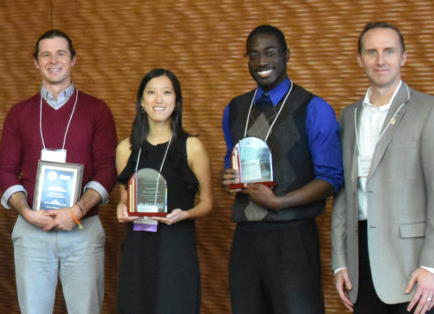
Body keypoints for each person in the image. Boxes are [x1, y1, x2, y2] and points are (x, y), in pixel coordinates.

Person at [220, 24, 342, 313]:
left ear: (287, 55)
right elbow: (230, 161)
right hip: (246, 237)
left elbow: (331, 179)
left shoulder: (314, 108)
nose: (262, 62)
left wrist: (279, 202)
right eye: (253, 54)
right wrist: (225, 178)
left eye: (270, 52)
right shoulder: (235, 109)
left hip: (294, 237)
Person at [0, 29, 117, 314]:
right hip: (32, 229)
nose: (54, 60)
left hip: (82, 230)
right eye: (45, 54)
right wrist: (26, 212)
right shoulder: (19, 113)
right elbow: (5, 170)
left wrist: (76, 210)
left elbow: (107, 170)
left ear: (73, 60)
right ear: (36, 63)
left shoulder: (97, 110)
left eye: (61, 53)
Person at [332, 22, 434, 314]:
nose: (380, 60)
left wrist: (431, 266)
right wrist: (340, 261)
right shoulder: (349, 115)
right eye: (371, 52)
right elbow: (343, 194)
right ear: (360, 59)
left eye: (389, 51)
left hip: (412, 264)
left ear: (403, 57)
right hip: (360, 264)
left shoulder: (428, 111)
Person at [114, 69, 213, 314]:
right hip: (137, 249)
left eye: (167, 93)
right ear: (141, 101)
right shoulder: (126, 148)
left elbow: (208, 202)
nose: (159, 100)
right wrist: (121, 208)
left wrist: (185, 214)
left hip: (176, 248)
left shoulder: (192, 147)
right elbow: (124, 199)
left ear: (176, 102)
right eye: (151, 93)